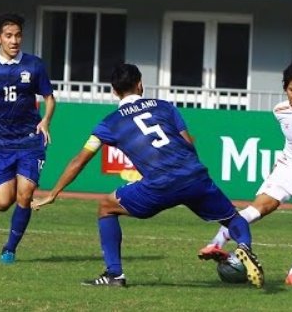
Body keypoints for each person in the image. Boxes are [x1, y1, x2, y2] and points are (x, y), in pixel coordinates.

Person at [33, 63, 264, 288]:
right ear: (140, 85)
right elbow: (187, 143)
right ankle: (243, 246)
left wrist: (53, 193)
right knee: (233, 218)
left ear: (114, 91)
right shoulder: (165, 107)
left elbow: (79, 160)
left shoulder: (109, 123)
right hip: (194, 175)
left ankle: (114, 274)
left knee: (106, 207)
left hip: (160, 185)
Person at [198, 57, 292, 287]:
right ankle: (216, 245)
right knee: (258, 208)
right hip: (287, 168)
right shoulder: (279, 110)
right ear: (285, 88)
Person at [0, 13, 56, 264]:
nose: (14, 40)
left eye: (18, 35)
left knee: (25, 194)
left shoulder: (34, 65)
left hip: (30, 139)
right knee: (1, 203)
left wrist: (45, 120)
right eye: (8, 35)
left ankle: (10, 249)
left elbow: (49, 98)